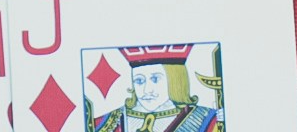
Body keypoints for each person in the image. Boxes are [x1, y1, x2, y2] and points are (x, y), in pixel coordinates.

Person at [87, 44, 222, 132]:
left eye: (155, 79)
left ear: (175, 80)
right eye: (139, 81)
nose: (147, 90)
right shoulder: (106, 123)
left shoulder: (210, 120)